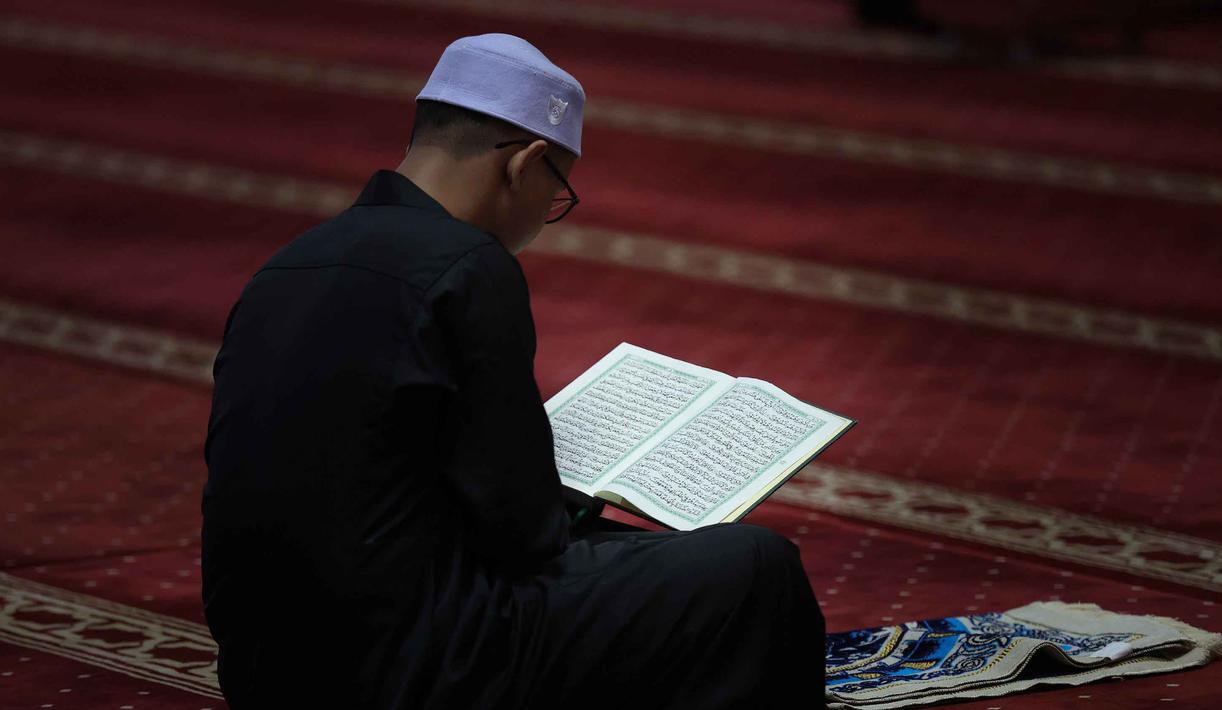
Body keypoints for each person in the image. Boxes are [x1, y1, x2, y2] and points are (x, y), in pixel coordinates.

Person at [201, 33, 827, 709]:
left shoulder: (289, 263)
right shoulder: (466, 265)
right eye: (557, 189)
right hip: (407, 668)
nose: (548, 213)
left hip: (265, 668)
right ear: (525, 165)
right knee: (752, 566)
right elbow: (523, 533)